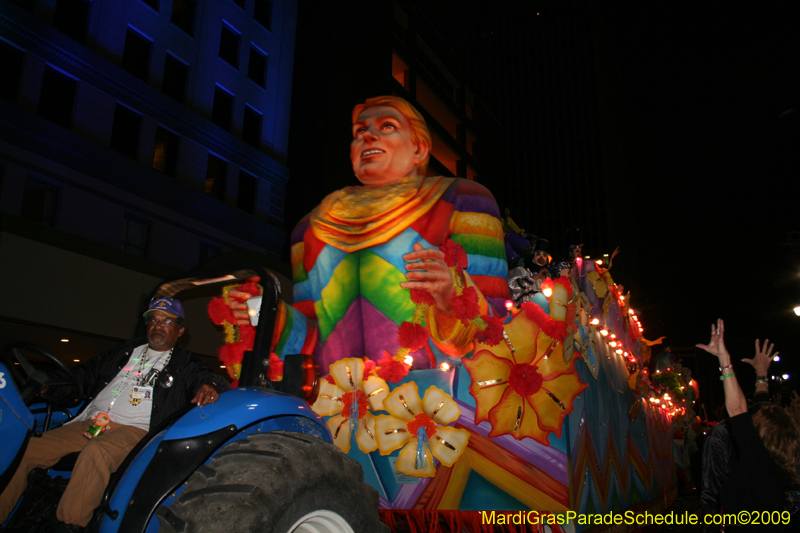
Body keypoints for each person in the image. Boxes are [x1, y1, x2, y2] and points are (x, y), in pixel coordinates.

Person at [232, 96, 508, 375]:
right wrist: (270, 315)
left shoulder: (464, 198)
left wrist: (452, 298)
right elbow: (314, 341)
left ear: (420, 148)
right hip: (336, 396)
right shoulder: (310, 228)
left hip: (432, 396)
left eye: (387, 126)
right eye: (360, 131)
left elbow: (495, 329)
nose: (368, 136)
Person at [0, 297, 227, 532]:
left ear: (179, 330)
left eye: (167, 322)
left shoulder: (185, 363)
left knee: (96, 452)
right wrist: (49, 384)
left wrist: (210, 385)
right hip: (92, 423)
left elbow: (209, 378)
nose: (158, 326)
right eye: (153, 320)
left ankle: (69, 525)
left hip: (134, 431)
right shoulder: (124, 352)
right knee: (27, 448)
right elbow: (83, 376)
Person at [696, 320, 800, 532]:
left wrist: (724, 360)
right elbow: (760, 407)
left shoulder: (760, 465)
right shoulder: (780, 467)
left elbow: (737, 410)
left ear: (762, 435)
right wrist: (761, 374)